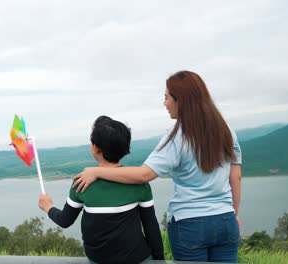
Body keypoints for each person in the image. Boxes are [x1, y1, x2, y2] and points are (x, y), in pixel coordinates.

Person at [73, 71, 242, 263]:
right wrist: (234, 213)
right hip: (226, 219)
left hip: (190, 224)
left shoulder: (177, 137)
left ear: (182, 101)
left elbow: (143, 175)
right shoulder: (226, 130)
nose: (165, 103)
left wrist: (95, 170)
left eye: (167, 97)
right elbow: (235, 176)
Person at [38, 116, 164, 264]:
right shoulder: (137, 182)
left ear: (95, 148)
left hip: (98, 260)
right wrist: (159, 259)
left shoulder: (82, 182)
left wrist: (47, 206)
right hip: (138, 258)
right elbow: (151, 227)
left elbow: (65, 220)